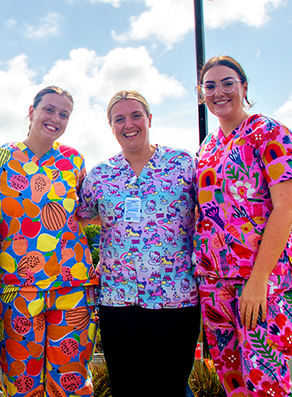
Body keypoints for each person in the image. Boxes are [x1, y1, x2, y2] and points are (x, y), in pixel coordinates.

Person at [77, 90, 200, 396]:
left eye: (135, 116)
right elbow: (80, 218)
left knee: (170, 388)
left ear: (149, 120)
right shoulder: (99, 176)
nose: (128, 124)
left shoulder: (184, 164)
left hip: (176, 301)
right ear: (111, 125)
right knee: (127, 388)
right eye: (119, 118)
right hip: (118, 303)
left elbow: (210, 212)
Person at [195, 56, 292, 396]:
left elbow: (287, 208)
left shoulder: (270, 133)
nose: (219, 92)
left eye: (227, 82)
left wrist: (258, 280)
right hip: (215, 285)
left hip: (261, 281)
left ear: (244, 87)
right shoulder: (207, 148)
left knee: (265, 380)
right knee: (233, 380)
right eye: (209, 86)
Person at [0, 86, 98, 397]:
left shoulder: (73, 160)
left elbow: (86, 212)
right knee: (21, 383)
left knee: (71, 383)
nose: (55, 118)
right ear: (31, 112)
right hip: (15, 286)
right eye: (49, 109)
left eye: (64, 114)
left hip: (72, 284)